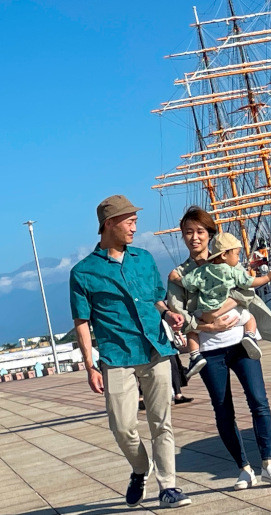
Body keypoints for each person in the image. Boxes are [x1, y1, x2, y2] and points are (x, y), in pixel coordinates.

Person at [69, 194, 191, 509]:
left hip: (155, 348)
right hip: (116, 355)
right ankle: (140, 469)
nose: (135, 227)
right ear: (110, 223)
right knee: (122, 427)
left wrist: (168, 314)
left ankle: (169, 486)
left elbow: (156, 299)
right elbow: (82, 322)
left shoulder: (144, 259)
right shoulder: (83, 273)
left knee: (161, 420)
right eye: (130, 221)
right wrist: (90, 365)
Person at [166, 206, 271, 492]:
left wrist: (226, 305)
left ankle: (268, 463)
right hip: (209, 350)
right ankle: (244, 469)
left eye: (200, 232)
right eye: (188, 233)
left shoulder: (228, 262)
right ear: (182, 237)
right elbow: (177, 311)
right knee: (223, 410)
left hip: (241, 342)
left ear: (210, 234)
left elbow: (245, 289)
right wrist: (204, 325)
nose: (194, 238)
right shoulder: (180, 274)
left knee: (259, 400)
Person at [169, 232, 271, 372]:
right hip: (229, 312)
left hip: (205, 313)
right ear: (223, 255)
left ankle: (195, 356)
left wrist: (175, 279)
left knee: (192, 331)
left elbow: (187, 283)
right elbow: (250, 283)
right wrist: (268, 277)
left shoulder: (202, 271)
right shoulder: (232, 271)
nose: (239, 258)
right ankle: (250, 336)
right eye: (237, 254)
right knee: (250, 318)